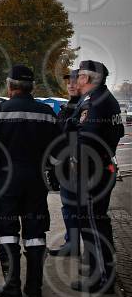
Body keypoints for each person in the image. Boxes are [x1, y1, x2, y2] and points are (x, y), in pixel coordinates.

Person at [0, 65, 61, 297]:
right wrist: (49, 168)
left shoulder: (1, 111)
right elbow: (58, 152)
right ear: (32, 86)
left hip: (8, 181)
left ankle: (12, 287)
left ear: (10, 86)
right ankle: (35, 288)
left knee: (7, 232)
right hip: (36, 181)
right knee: (35, 233)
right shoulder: (47, 112)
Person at [62, 60, 124, 294]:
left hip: (92, 173)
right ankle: (99, 269)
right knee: (95, 222)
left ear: (86, 79)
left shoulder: (96, 102)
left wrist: (72, 128)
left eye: (78, 76)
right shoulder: (103, 99)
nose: (75, 80)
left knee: (94, 224)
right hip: (100, 168)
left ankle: (103, 279)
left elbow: (85, 140)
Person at [49, 70, 82, 257]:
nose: (70, 84)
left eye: (75, 81)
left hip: (78, 168)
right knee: (68, 207)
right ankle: (72, 244)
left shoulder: (84, 107)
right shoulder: (68, 107)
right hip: (64, 168)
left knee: (80, 210)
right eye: (69, 81)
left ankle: (84, 250)